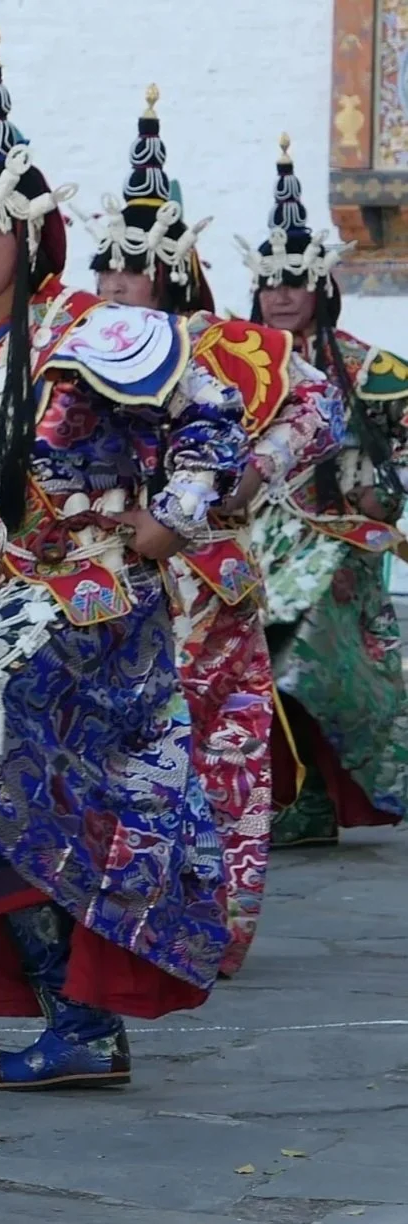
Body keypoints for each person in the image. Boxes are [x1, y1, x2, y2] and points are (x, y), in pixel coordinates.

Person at [0, 28, 248, 1090]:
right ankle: (67, 1013)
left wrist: (170, 520)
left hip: (83, 605)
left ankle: (72, 1015)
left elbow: (212, 416)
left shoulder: (94, 328)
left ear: (30, 238)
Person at [89, 88, 343, 972]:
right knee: (121, 757)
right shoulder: (75, 346)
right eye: (104, 266)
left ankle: (217, 923)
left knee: (223, 753)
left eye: (132, 267)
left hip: (208, 580)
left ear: (168, 268)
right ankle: (129, 921)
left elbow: (317, 408)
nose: (115, 283)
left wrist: (238, 479)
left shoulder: (220, 343)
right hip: (109, 577)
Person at [236, 136, 408, 846]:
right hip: (248, 540)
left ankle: (308, 795)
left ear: (319, 285)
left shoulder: (367, 367)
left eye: (293, 281)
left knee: (299, 651)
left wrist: (373, 488)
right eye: (270, 280)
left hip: (330, 545)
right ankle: (279, 794)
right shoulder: (230, 366)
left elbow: (392, 463)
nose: (280, 294)